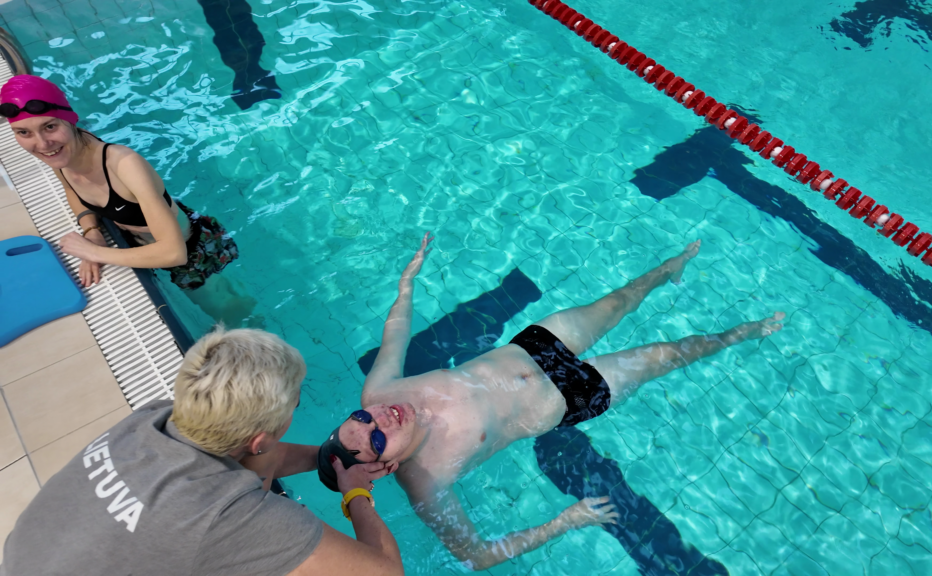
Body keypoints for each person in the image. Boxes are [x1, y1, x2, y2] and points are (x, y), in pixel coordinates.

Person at [318, 233, 786, 570]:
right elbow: (476, 556)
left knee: (620, 300)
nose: (380, 418)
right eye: (376, 438)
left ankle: (672, 268)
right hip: (567, 397)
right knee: (666, 354)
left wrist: (406, 285)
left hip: (535, 346)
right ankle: (738, 335)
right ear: (385, 468)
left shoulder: (380, 393)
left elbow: (395, 335)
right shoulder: (427, 483)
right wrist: (565, 521)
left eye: (362, 417)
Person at [0, 328, 404, 576]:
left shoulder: (152, 418)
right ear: (259, 438)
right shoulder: (229, 515)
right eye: (295, 404)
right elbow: (384, 573)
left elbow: (263, 454)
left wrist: (334, 459)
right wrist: (356, 495)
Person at [0, 74, 257, 327]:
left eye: (50, 127)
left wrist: (93, 252)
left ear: (70, 120)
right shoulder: (61, 154)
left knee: (228, 313)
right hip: (145, 240)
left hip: (190, 251)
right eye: (24, 132)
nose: (42, 143)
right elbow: (71, 188)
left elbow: (174, 253)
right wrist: (92, 231)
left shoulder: (124, 164)